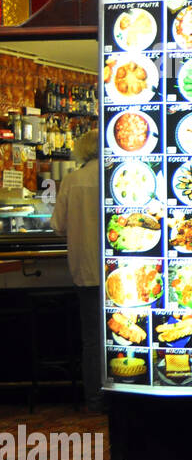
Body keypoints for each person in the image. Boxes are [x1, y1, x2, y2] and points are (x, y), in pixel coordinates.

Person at [52, 129, 104, 413]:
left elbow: (58, 226)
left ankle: (94, 401)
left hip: (85, 271)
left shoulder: (72, 181)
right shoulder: (113, 178)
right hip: (118, 273)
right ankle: (123, 395)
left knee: (92, 340)